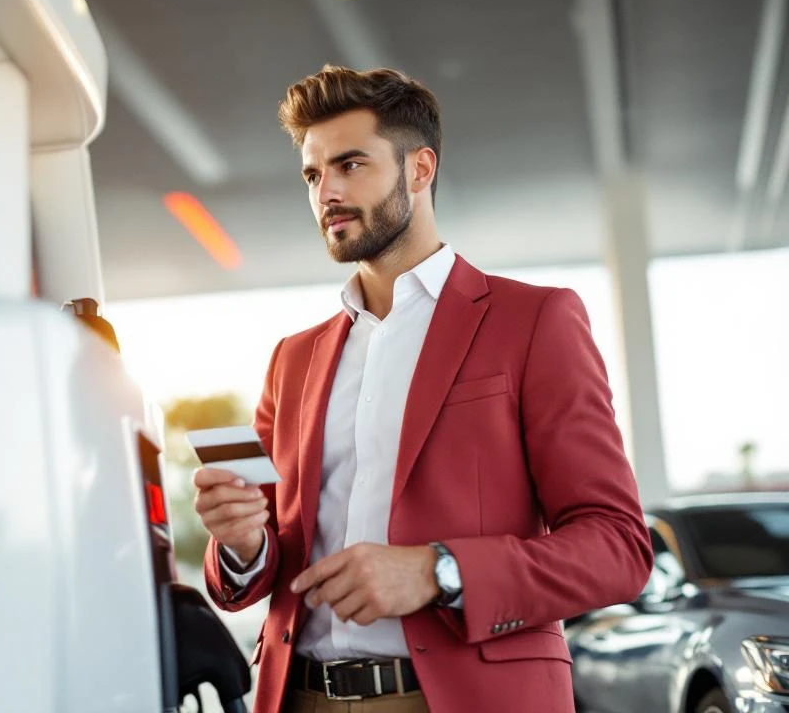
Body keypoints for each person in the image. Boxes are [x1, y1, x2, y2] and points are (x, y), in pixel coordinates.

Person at [193, 65, 652, 713]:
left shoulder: (532, 321)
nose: (328, 190)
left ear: (420, 169)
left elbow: (618, 547)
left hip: (464, 698)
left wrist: (436, 572)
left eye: (351, 164)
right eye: (313, 174)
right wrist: (242, 545)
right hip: (299, 697)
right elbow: (257, 573)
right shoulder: (291, 361)